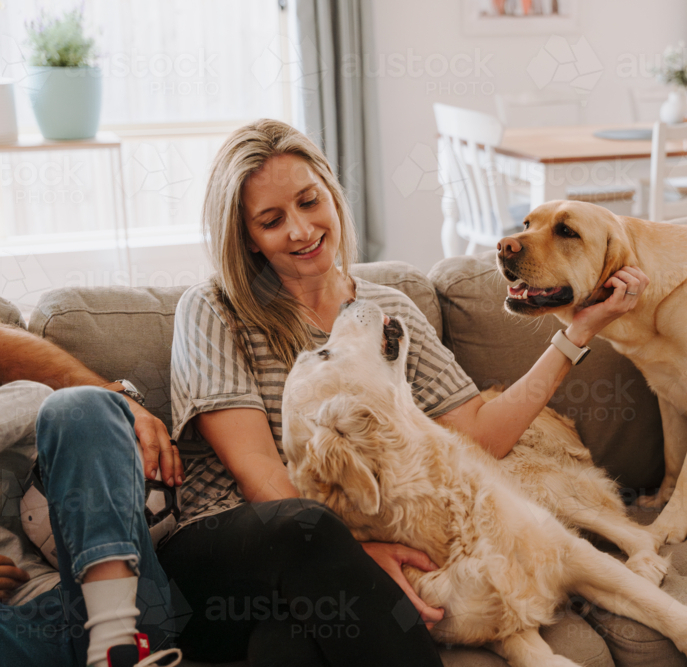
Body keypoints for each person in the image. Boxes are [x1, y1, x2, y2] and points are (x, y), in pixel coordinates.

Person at [161, 118, 649, 666]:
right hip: (225, 551)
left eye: (309, 201)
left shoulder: (386, 312)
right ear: (247, 237)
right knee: (310, 529)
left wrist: (577, 333)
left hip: (312, 575)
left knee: (288, 646)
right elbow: (259, 474)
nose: (300, 230)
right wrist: (358, 557)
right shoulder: (213, 309)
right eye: (272, 221)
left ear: (329, 190)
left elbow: (479, 436)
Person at [0, 324, 184, 667]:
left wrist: (121, 399)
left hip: (107, 606)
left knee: (81, 403)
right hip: (11, 632)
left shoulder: (19, 400)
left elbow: (35, 398)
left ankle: (115, 646)